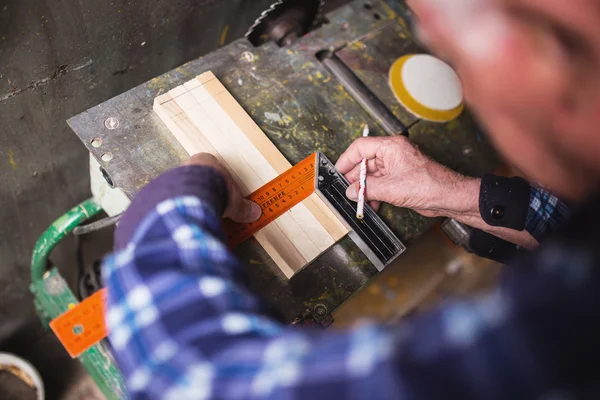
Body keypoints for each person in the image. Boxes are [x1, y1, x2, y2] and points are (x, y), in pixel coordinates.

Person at [103, 0, 600, 398]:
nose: (438, 44)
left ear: (540, 58)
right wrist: (454, 196)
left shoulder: (550, 344)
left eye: (451, 49)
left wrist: (182, 191)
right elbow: (562, 218)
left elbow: (184, 373)